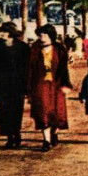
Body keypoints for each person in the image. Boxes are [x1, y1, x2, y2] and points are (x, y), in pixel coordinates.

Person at [28, 24, 72, 152]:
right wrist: (29, 89)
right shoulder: (34, 49)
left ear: (51, 36)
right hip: (40, 85)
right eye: (41, 35)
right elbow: (29, 69)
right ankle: (46, 140)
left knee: (58, 114)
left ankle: (54, 133)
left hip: (56, 85)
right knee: (43, 113)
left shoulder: (59, 49)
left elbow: (64, 69)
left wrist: (66, 84)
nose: (42, 37)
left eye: (45, 35)